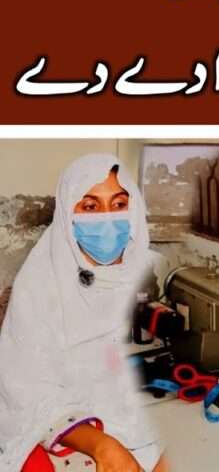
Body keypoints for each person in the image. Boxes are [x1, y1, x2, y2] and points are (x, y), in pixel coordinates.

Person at [0, 154, 167, 472]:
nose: (107, 220)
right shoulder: (40, 285)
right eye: (90, 207)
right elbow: (26, 390)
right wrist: (101, 445)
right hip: (71, 435)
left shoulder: (152, 271)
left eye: (119, 204)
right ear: (67, 213)